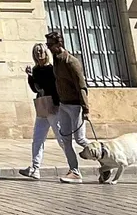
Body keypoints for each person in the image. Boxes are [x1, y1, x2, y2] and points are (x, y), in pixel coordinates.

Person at [46, 29, 92, 183]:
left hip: (75, 106)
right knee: (66, 139)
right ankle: (74, 171)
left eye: (50, 44)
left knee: (80, 140)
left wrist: (85, 108)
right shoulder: (56, 61)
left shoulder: (71, 61)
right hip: (64, 105)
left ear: (59, 44)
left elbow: (81, 85)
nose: (48, 48)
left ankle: (106, 158)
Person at [18, 42, 60, 180]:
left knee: (62, 139)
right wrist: (30, 76)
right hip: (42, 106)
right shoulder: (36, 70)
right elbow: (36, 89)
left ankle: (74, 167)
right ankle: (35, 168)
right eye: (36, 51)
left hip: (52, 106)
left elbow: (55, 88)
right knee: (37, 138)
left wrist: (56, 103)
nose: (39, 53)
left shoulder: (51, 69)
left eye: (41, 51)